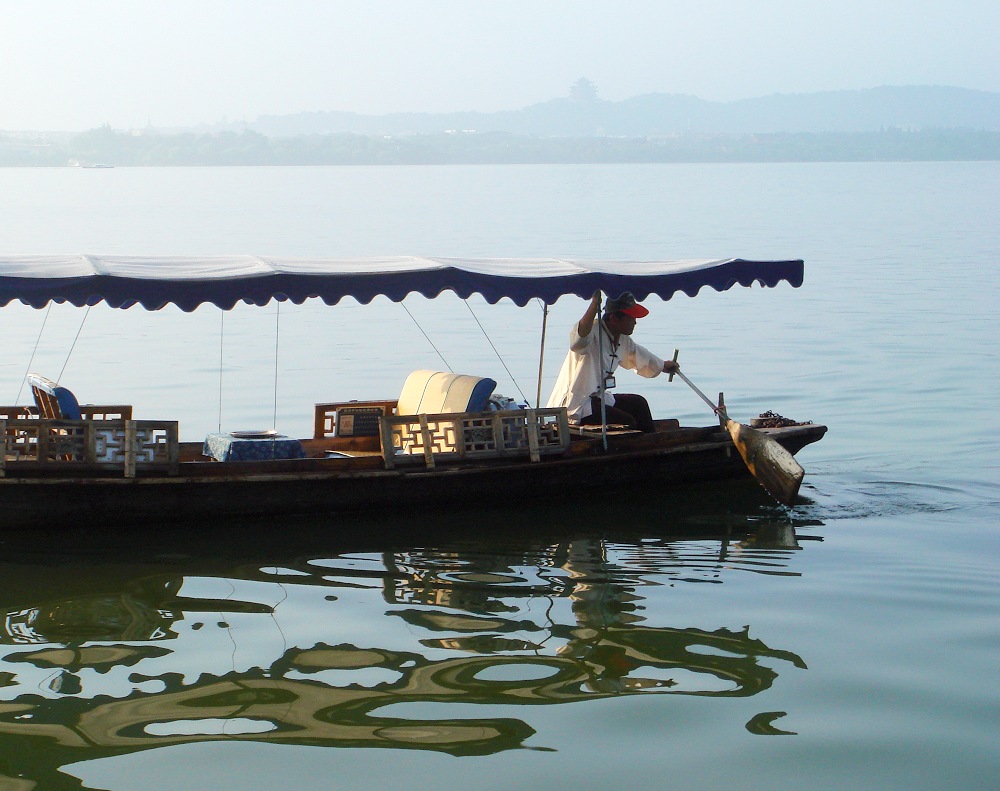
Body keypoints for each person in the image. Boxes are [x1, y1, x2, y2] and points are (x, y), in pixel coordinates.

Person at [545, 291, 679, 433]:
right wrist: (594, 304)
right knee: (627, 422)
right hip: (576, 405)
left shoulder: (622, 339)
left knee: (638, 403)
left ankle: (652, 443)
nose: (635, 322)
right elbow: (579, 339)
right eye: (631, 318)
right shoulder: (592, 332)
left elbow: (640, 356)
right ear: (614, 318)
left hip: (598, 399)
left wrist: (663, 366)